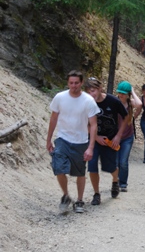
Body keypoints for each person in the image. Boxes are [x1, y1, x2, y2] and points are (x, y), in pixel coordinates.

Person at [46, 70, 100, 213]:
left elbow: (93, 125)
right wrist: (49, 139)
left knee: (80, 172)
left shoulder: (88, 101)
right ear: (67, 83)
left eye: (76, 83)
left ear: (81, 83)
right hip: (63, 138)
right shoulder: (60, 97)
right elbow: (53, 118)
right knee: (58, 168)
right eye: (71, 83)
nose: (74, 86)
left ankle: (80, 200)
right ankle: (65, 195)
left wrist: (90, 147)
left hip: (81, 141)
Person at [84, 77, 128, 206]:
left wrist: (118, 136)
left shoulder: (113, 101)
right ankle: (96, 194)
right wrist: (96, 137)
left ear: (100, 89)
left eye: (92, 91)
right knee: (92, 166)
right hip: (94, 139)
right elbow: (83, 123)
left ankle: (115, 180)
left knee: (111, 167)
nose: (90, 94)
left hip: (110, 139)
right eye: (88, 92)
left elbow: (126, 117)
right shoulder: (85, 103)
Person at [116, 81, 142, 192]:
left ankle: (123, 183)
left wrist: (132, 90)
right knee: (116, 162)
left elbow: (139, 104)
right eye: (119, 93)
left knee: (123, 161)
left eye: (123, 93)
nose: (120, 95)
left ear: (127, 94)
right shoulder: (115, 103)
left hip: (127, 137)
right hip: (115, 137)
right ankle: (115, 181)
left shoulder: (130, 103)